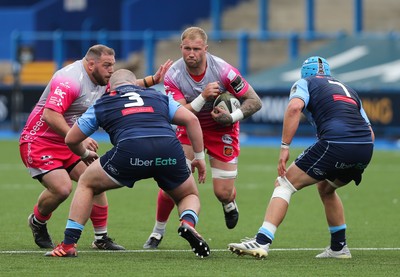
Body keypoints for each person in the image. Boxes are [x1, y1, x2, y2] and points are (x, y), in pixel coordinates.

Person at [19, 44, 172, 250]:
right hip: (39, 141)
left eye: (113, 65)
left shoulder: (101, 78)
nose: (111, 70)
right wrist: (79, 139)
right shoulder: (70, 80)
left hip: (68, 141)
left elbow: (126, 85)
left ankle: (101, 238)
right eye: (107, 65)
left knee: (95, 178)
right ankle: (38, 221)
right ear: (91, 64)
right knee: (62, 188)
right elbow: (50, 115)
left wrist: (152, 80)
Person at [44, 69, 210, 258]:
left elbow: (71, 140)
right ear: (134, 83)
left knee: (87, 182)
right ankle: (187, 223)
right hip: (168, 149)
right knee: (188, 194)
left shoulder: (103, 102)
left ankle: (68, 245)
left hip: (131, 152)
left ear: (111, 87)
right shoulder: (157, 96)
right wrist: (199, 157)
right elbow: (192, 120)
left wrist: (84, 153)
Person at [228, 56, 375, 259]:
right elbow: (370, 132)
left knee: (284, 183)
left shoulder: (305, 83)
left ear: (304, 72)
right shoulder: (349, 89)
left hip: (336, 143)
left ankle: (261, 242)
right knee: (326, 188)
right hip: (365, 147)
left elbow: (295, 108)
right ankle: (339, 247)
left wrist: (284, 147)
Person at [143, 26, 262, 249]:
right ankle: (157, 232)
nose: (191, 53)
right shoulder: (173, 75)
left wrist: (232, 117)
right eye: (187, 48)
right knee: (172, 183)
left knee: (222, 192)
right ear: (181, 47)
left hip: (222, 130)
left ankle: (229, 203)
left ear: (205, 49)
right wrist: (203, 96)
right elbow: (177, 114)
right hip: (188, 129)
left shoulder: (224, 71)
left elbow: (255, 101)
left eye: (196, 49)